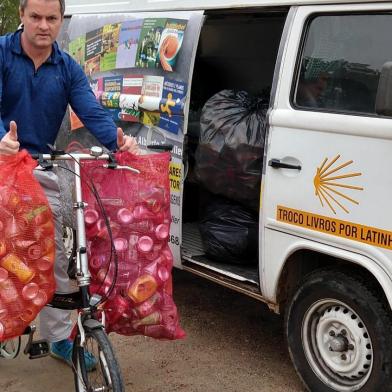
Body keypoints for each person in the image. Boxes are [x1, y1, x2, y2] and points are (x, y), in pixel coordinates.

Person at [0, 0, 140, 371]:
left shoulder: (66, 67)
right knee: (5, 249)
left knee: (56, 251)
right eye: (35, 17)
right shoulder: (1, 53)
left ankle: (59, 337)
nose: (43, 25)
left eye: (51, 18)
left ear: (61, 21)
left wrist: (118, 142)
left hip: (40, 165)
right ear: (21, 17)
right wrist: (1, 139)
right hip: (2, 160)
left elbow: (90, 109)